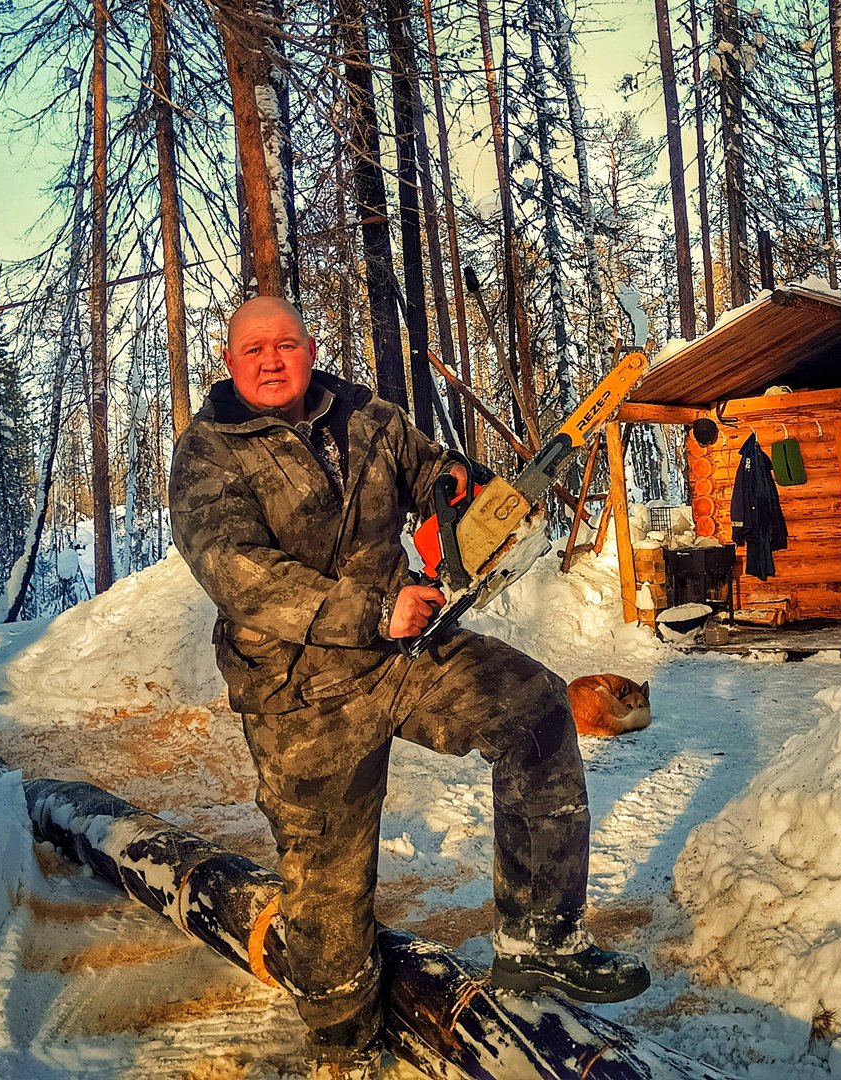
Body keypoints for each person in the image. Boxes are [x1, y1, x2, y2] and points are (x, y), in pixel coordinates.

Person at [168, 297, 648, 1079]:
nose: (272, 359)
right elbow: (241, 576)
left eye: (286, 343)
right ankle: (344, 1049)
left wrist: (452, 484)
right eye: (254, 349)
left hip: (404, 652)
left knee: (533, 709)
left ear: (310, 348)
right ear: (229, 361)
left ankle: (541, 938)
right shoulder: (208, 453)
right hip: (302, 694)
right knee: (328, 896)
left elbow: (425, 465)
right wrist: (371, 610)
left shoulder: (366, 415)